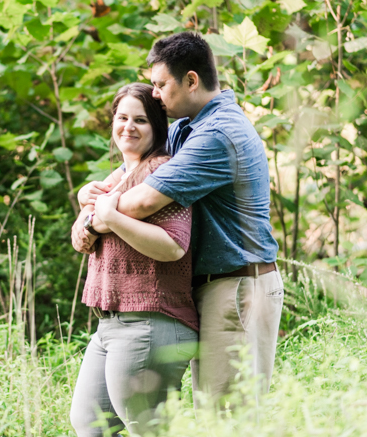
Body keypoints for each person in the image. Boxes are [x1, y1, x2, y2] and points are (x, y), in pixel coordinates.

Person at [73, 32, 283, 407]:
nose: (154, 94)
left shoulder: (218, 134)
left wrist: (98, 217)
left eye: (161, 84)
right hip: (212, 286)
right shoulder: (190, 125)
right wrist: (90, 195)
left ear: (191, 80)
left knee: (227, 419)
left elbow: (139, 203)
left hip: (237, 286)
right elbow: (136, 166)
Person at [69, 83, 199, 437]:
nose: (128, 126)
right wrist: (89, 213)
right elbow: (80, 238)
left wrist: (109, 218)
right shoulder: (117, 178)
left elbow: (173, 246)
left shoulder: (161, 171)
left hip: (151, 320)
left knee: (149, 429)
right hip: (111, 322)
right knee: (89, 422)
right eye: (122, 117)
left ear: (157, 127)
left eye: (140, 120)